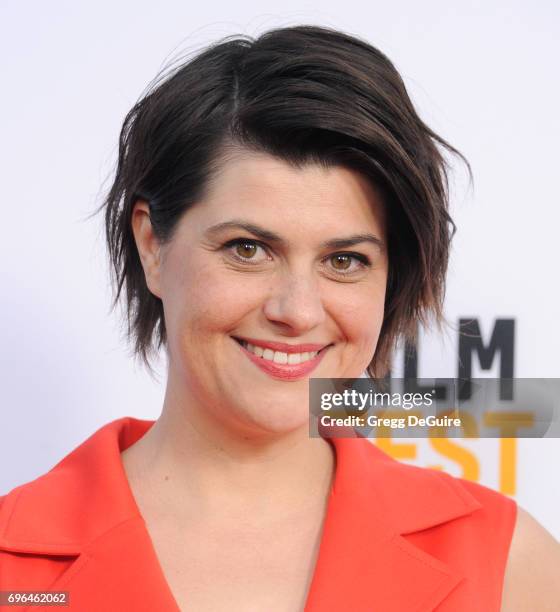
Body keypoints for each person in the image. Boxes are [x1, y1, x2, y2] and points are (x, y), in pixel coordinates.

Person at [1, 24, 558, 612]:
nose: (296, 311)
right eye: (248, 249)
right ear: (152, 245)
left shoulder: (500, 564)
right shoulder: (12, 564)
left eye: (345, 260)